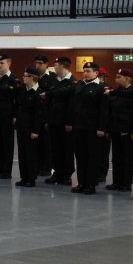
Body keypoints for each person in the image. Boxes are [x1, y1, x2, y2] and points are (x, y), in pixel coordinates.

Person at [69, 61, 108, 195]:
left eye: (89, 71)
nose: (85, 73)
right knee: (80, 156)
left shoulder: (101, 87)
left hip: (92, 128)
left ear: (96, 73)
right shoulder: (79, 85)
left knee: (92, 157)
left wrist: (101, 127)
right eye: (84, 71)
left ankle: (90, 184)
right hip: (79, 126)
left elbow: (103, 110)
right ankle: (81, 183)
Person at [106, 68, 133, 191]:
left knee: (126, 158)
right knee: (116, 157)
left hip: (127, 129)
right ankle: (116, 181)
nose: (116, 79)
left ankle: (126, 183)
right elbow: (111, 112)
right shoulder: (115, 92)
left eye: (119, 77)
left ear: (127, 79)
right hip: (115, 128)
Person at [45, 57, 76, 185]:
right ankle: (57, 173)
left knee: (67, 149)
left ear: (63, 67)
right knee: (55, 149)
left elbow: (73, 105)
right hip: (54, 120)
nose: (54, 67)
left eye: (56, 65)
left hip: (65, 123)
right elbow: (49, 100)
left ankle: (67, 175)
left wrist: (70, 122)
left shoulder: (72, 82)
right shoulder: (54, 81)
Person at [13, 66, 44, 187]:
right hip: (21, 126)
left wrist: (36, 130)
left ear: (32, 77)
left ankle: (31, 178)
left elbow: (39, 114)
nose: (23, 77)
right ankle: (23, 176)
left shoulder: (38, 93)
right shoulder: (22, 90)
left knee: (30, 154)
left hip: (31, 128)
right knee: (22, 153)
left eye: (25, 76)